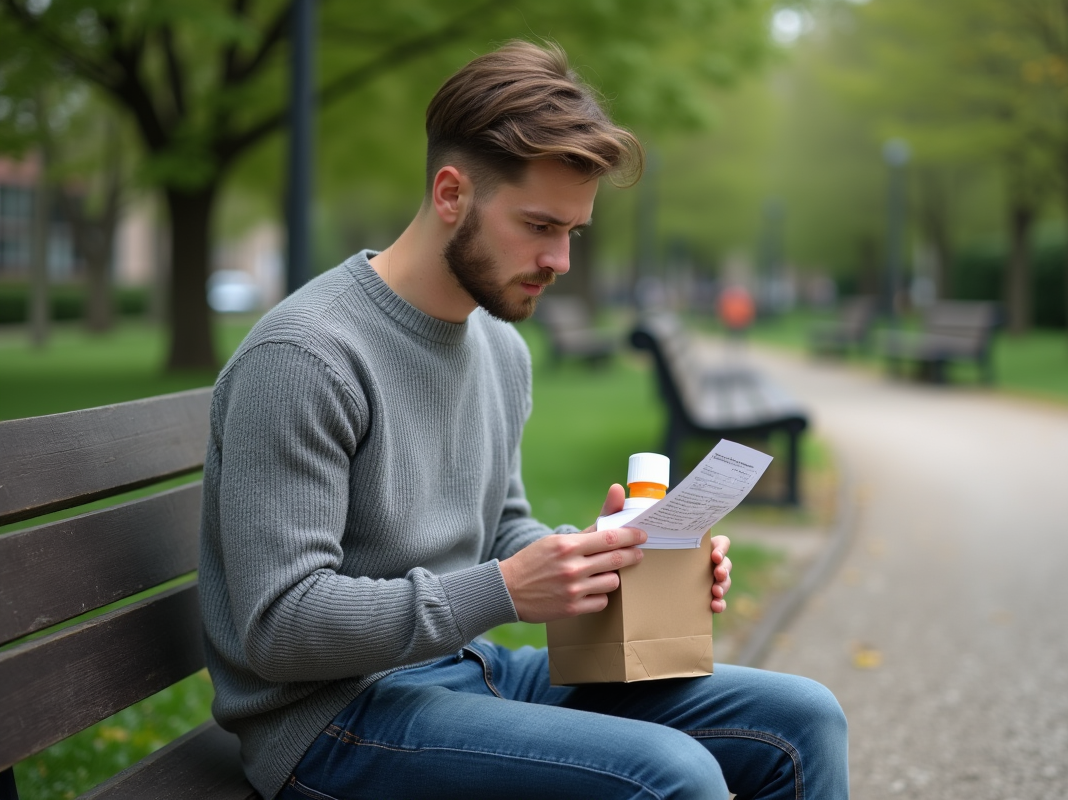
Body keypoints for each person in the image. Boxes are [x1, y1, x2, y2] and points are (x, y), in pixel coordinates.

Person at [199, 41, 848, 800]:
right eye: (540, 226)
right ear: (451, 194)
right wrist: (506, 589)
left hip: (470, 673)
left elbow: (502, 525)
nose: (561, 260)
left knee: (803, 718)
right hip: (332, 720)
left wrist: (603, 560)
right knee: (673, 778)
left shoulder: (500, 347)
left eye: (574, 232)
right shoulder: (307, 357)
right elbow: (279, 625)